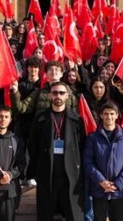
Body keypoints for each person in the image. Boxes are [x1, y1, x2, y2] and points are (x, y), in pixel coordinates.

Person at [27, 81, 86, 220]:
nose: (58, 96)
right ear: (50, 96)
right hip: (47, 173)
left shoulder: (77, 120)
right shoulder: (40, 119)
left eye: (61, 93)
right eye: (54, 93)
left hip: (71, 175)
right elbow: (33, 146)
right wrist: (32, 173)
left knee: (74, 215)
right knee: (45, 215)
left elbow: (82, 147)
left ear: (67, 96)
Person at [84, 102, 123, 221]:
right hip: (99, 189)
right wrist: (101, 181)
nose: (109, 117)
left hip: (118, 191)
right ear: (101, 115)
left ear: (117, 115)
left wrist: (117, 184)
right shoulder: (93, 138)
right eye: (106, 114)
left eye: (112, 114)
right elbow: (88, 161)